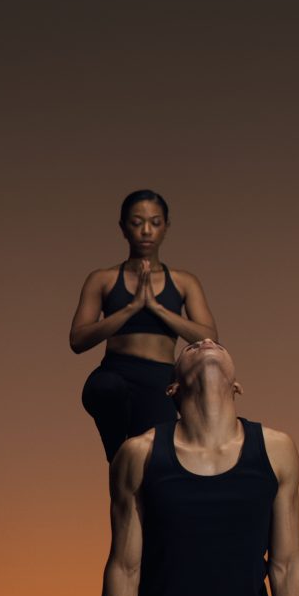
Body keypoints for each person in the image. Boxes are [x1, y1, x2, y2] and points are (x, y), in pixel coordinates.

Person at [82, 340, 299, 596]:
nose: (205, 342)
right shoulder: (138, 454)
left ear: (237, 386)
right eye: (190, 349)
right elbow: (125, 566)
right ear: (172, 387)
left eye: (218, 345)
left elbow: (286, 563)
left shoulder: (277, 449)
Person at [69, 191, 218, 461]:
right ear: (123, 228)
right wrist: (131, 307)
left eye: (155, 222)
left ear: (166, 227)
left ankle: (128, 470)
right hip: (115, 374)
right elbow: (78, 340)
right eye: (137, 223)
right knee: (107, 393)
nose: (146, 231)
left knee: (152, 464)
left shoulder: (184, 282)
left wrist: (157, 308)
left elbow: (209, 337)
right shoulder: (102, 279)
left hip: (160, 380)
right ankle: (117, 459)